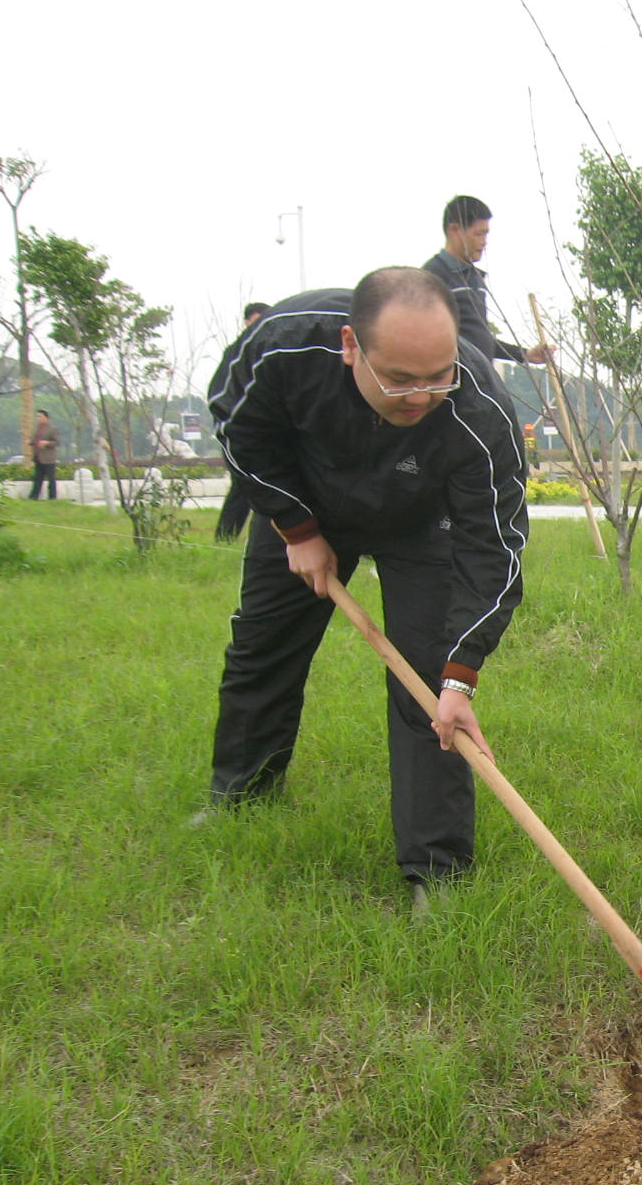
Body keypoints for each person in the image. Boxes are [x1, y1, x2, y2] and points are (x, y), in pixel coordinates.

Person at [198, 267, 530, 908]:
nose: (420, 395)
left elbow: (493, 547)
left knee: (427, 685)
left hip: (423, 523)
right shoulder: (284, 345)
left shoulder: (477, 407)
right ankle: (241, 797)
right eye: (399, 379)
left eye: (438, 374)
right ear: (351, 345)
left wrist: (460, 676)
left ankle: (437, 873)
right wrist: (294, 526)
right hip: (305, 503)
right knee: (263, 647)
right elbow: (237, 427)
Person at [422, 195, 550, 367]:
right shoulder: (431, 278)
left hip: (480, 381)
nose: (484, 242)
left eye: (486, 234)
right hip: (454, 383)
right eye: (478, 234)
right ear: (454, 230)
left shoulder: (474, 278)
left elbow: (479, 337)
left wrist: (525, 354)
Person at [215, 306, 276, 541]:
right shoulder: (237, 353)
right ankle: (226, 536)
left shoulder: (278, 349)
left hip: (277, 433)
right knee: (243, 485)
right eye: (255, 322)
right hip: (245, 431)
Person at [26, 409, 60, 499]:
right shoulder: (37, 429)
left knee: (51, 479)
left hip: (48, 459)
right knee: (37, 478)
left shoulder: (52, 429)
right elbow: (35, 441)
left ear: (46, 418)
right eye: (37, 416)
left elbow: (57, 442)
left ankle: (52, 497)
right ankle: (34, 497)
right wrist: (30, 442)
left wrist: (47, 443)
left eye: (40, 416)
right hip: (38, 457)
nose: (38, 418)